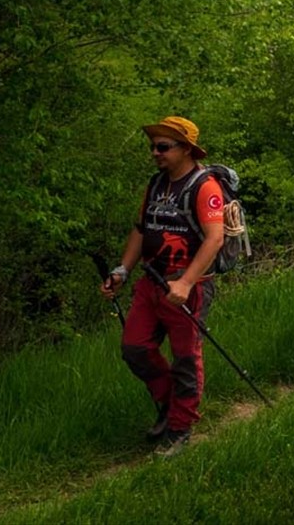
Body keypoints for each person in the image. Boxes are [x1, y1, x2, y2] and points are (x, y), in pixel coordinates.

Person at [100, 116, 225, 457]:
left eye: (163, 146)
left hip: (188, 287)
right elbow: (141, 229)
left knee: (186, 358)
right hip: (151, 282)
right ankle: (169, 405)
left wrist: (186, 282)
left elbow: (215, 239)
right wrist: (121, 271)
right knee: (135, 347)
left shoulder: (204, 186)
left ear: (186, 149)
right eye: (153, 146)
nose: (155, 152)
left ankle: (180, 428)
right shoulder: (156, 184)